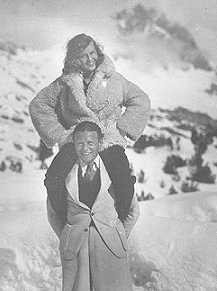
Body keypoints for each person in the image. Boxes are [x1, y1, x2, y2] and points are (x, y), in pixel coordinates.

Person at [29, 33, 150, 227]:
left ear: (98, 52)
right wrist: (59, 134)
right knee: (53, 179)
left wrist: (122, 128)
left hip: (107, 138)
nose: (90, 58)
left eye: (93, 52)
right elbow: (38, 106)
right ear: (74, 59)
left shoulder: (114, 78)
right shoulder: (65, 83)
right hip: (77, 140)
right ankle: (68, 223)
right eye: (84, 55)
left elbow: (141, 100)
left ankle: (118, 225)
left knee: (124, 182)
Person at [47, 121, 141, 291]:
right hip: (76, 249)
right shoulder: (65, 174)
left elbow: (132, 211)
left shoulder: (114, 172)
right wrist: (69, 235)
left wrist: (117, 235)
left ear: (99, 143)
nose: (85, 148)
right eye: (79, 143)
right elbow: (53, 212)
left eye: (90, 142)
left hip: (109, 248)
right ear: (73, 145)